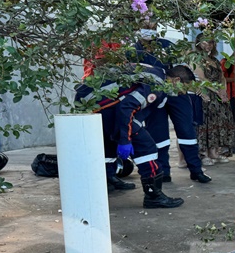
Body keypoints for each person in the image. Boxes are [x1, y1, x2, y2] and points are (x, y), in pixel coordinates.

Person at [75, 64, 184, 208]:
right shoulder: (157, 84)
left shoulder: (154, 72)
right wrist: (125, 139)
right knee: (146, 149)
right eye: (184, 89)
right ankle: (154, 196)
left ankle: (108, 179)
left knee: (109, 142)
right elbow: (127, 107)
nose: (182, 93)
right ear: (176, 80)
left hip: (89, 102)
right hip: (100, 103)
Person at [145, 65, 212, 184]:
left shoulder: (182, 89)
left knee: (187, 132)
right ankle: (163, 171)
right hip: (158, 88)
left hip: (177, 92)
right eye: (186, 88)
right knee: (158, 135)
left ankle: (196, 171)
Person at [194, 34, 234, 165]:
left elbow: (222, 77)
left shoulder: (215, 60)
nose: (208, 45)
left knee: (220, 122)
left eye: (211, 42)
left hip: (218, 95)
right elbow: (202, 79)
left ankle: (215, 152)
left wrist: (223, 91)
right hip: (206, 94)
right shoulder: (196, 59)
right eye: (205, 42)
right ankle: (204, 154)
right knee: (207, 124)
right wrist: (217, 90)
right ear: (198, 43)